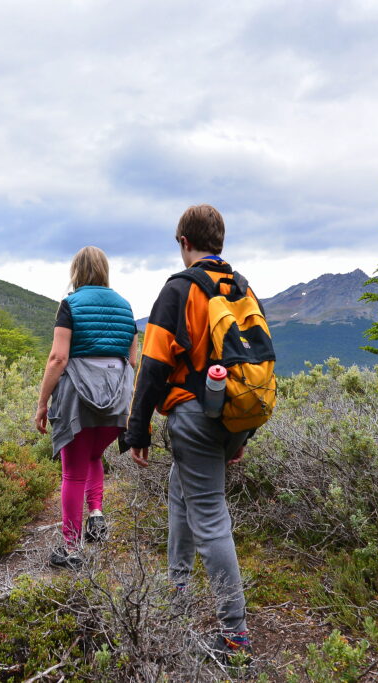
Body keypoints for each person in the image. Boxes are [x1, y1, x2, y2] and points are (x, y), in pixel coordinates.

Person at [124, 204, 261, 664]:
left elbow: (153, 366)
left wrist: (137, 429)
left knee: (210, 518)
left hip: (193, 418)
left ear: (184, 242)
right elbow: (256, 366)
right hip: (234, 416)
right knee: (179, 488)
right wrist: (242, 436)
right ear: (219, 241)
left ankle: (236, 636)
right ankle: (177, 588)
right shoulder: (241, 288)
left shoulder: (180, 288)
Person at [35, 246, 138, 571]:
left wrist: (42, 402)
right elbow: (132, 359)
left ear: (76, 271)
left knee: (72, 471)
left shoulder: (70, 305)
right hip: (117, 399)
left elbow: (58, 358)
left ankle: (71, 549)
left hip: (77, 400)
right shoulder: (125, 306)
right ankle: (96, 515)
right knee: (94, 456)